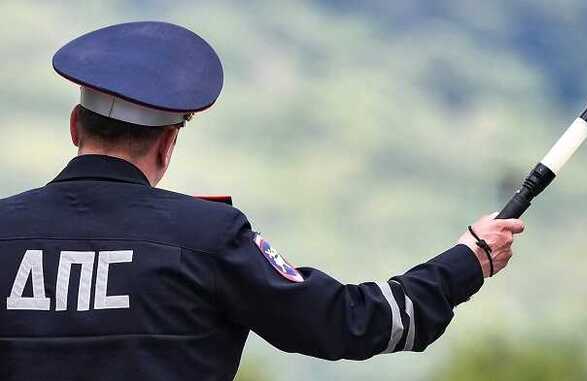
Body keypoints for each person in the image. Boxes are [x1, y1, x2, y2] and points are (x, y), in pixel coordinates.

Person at [0, 22, 524, 381]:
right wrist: (467, 260)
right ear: (168, 143)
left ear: (75, 126)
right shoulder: (209, 237)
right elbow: (350, 323)